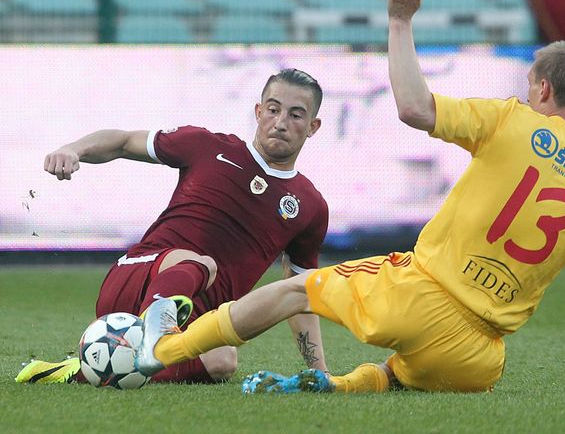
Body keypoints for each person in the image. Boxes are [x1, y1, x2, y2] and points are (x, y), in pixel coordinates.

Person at [135, 0, 565, 394]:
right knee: (399, 375)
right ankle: (338, 384)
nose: (526, 97)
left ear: (543, 88)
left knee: (295, 289)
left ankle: (161, 350)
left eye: (529, 89)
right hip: (479, 357)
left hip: (419, 297)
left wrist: (399, 22)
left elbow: (415, 108)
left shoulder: (514, 120)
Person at [16, 68, 330, 385]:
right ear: (259, 111)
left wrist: (321, 372)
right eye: (273, 110)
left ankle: (82, 370)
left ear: (312, 127)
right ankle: (153, 335)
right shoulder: (206, 146)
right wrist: (74, 149)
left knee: (222, 361)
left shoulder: (310, 206)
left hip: (195, 314)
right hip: (138, 276)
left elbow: (298, 294)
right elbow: (124, 142)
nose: (280, 123)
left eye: (295, 115)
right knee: (201, 263)